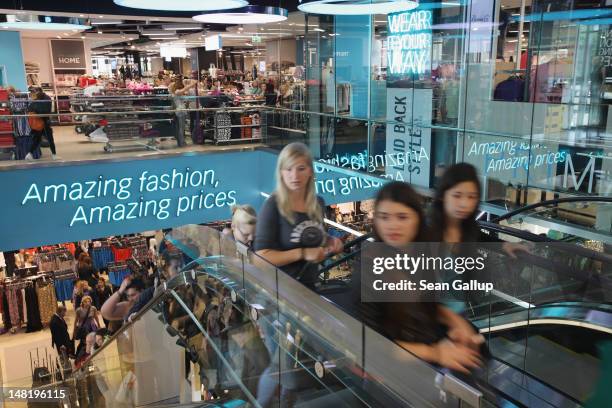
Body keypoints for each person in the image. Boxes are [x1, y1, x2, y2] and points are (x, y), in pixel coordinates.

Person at [362, 181, 484, 374]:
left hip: (425, 362)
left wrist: (455, 321)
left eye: (402, 217)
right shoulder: (369, 268)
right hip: (394, 375)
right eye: (384, 217)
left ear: (417, 219)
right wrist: (435, 353)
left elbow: (425, 304)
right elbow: (371, 343)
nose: (392, 226)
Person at [254, 142, 343, 288]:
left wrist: (330, 241)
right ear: (281, 172)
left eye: (301, 168)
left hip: (310, 287)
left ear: (310, 172)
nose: (294, 175)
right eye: (288, 169)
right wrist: (302, 253)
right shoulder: (273, 205)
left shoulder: (317, 203)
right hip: (282, 292)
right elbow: (260, 258)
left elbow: (310, 235)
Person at [26, 87, 57, 160]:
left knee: (40, 139)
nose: (35, 93)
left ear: (39, 91)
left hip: (41, 121)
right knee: (46, 139)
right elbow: (45, 110)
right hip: (43, 121)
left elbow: (35, 109)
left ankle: (30, 154)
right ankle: (54, 155)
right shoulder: (42, 98)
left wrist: (36, 111)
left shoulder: (42, 99)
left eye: (35, 91)